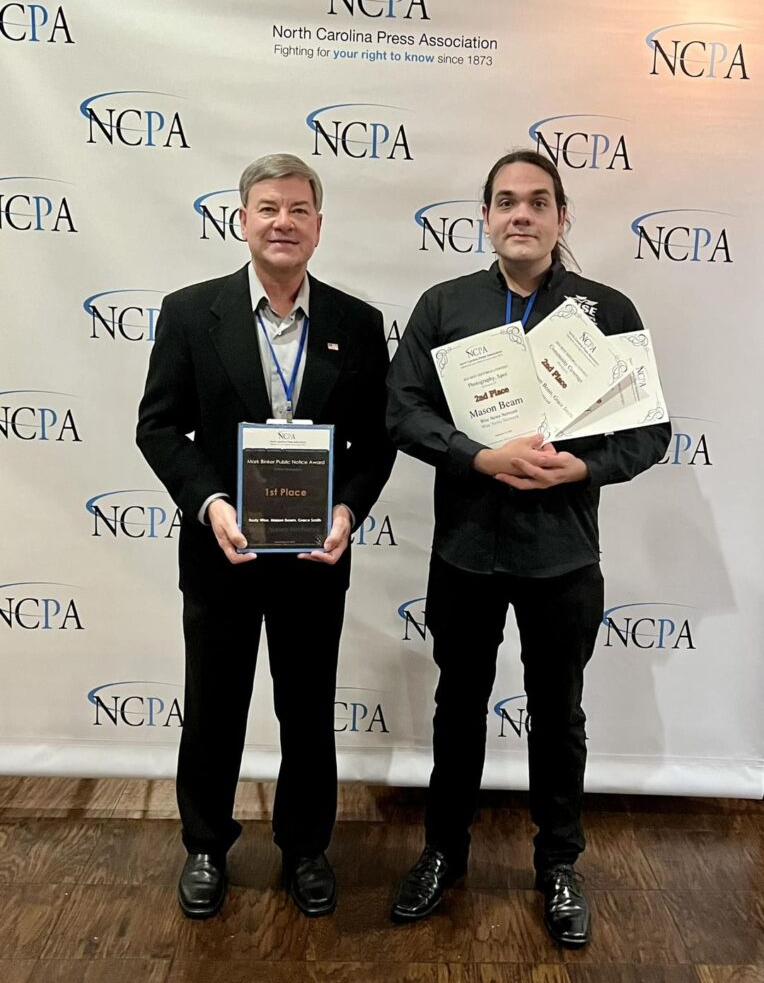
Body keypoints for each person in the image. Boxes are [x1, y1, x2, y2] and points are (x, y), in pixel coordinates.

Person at [386, 149, 670, 946]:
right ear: (485, 217)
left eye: (538, 203)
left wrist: (585, 463)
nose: (521, 214)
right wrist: (477, 455)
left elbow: (649, 430)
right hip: (467, 551)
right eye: (506, 201)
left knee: (558, 715)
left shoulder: (605, 311)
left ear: (561, 219)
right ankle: (443, 854)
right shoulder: (444, 305)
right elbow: (401, 411)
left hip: (563, 555)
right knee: (458, 710)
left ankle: (558, 865)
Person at [136, 153, 395, 920]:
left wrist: (346, 512)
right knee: (213, 706)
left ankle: (307, 848)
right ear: (242, 220)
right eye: (268, 208)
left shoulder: (356, 322)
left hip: (316, 557)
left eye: (299, 209)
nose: (283, 222)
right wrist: (210, 502)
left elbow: (374, 444)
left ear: (319, 225)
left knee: (308, 710)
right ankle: (207, 848)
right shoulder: (191, 312)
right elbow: (159, 429)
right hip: (222, 552)